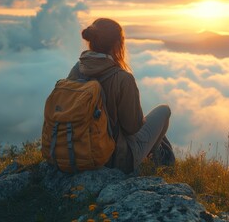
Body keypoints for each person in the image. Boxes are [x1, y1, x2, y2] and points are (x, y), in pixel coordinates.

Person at [67, 18, 174, 174]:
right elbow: (132, 127)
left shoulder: (78, 69)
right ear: (118, 44)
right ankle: (154, 164)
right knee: (164, 111)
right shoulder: (122, 78)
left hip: (77, 149)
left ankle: (158, 154)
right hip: (113, 159)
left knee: (159, 134)